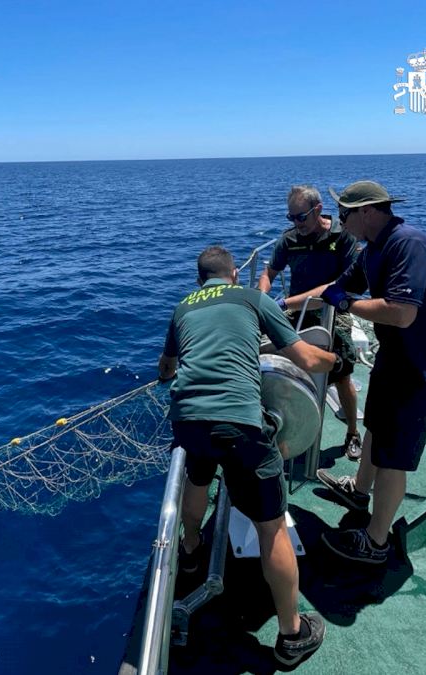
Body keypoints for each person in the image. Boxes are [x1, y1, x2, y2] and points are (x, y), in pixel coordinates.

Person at [159, 245, 343, 665]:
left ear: (199, 280)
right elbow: (307, 357)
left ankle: (190, 551)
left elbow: (167, 368)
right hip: (240, 424)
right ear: (235, 275)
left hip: (188, 419)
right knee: (272, 528)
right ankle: (292, 635)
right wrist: (338, 359)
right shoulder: (251, 299)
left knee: (197, 477)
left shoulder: (183, 308)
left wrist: (167, 372)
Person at [313, 181, 426, 565]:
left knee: (393, 455)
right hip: (393, 357)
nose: (339, 223)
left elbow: (401, 312)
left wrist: (348, 304)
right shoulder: (373, 249)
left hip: (419, 365)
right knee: (375, 427)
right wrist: (277, 306)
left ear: (367, 212)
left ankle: (376, 543)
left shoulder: (408, 244)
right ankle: (359, 492)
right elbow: (336, 288)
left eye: (343, 215)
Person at [257, 185, 363, 459]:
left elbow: (339, 286)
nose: (296, 223)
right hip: (297, 312)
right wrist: (261, 298)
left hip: (334, 311)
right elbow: (269, 273)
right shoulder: (289, 240)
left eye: (301, 217)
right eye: (291, 217)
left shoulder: (343, 237)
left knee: (342, 374)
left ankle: (353, 432)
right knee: (284, 364)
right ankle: (288, 428)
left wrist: (285, 303)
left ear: (318, 210)